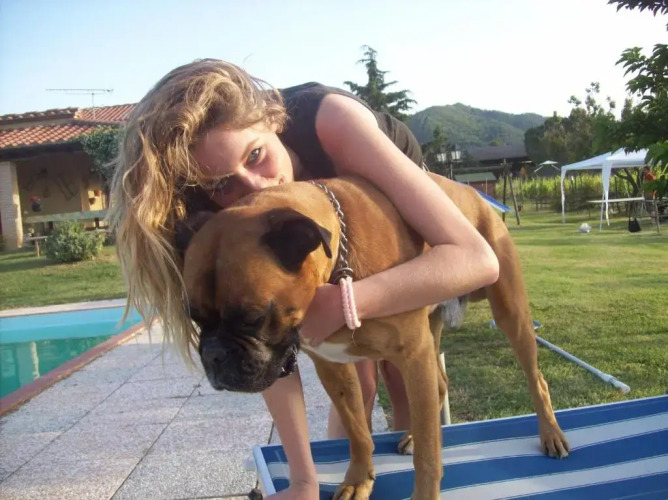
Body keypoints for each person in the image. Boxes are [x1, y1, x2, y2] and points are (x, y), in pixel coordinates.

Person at [108, 58, 499, 499]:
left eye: (256, 156)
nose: (254, 188)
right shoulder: (211, 222)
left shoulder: (334, 123)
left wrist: (350, 301)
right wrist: (302, 481)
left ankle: (410, 459)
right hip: (297, 233)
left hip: (387, 207)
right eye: (221, 184)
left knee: (396, 358)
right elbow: (267, 346)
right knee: (350, 374)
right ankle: (351, 469)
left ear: (273, 120)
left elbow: (476, 260)